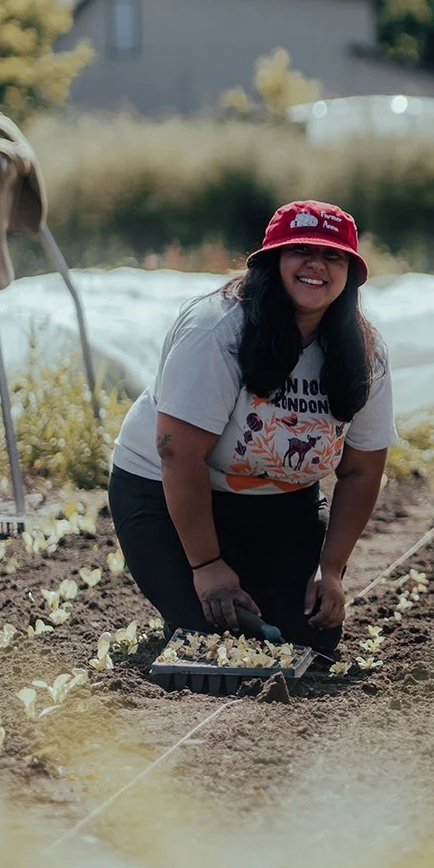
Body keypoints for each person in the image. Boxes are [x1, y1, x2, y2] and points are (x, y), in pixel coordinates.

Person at [108, 200, 395, 656]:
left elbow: (362, 469)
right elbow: (178, 454)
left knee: (310, 636)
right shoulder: (217, 330)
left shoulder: (362, 352)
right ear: (270, 262)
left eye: (333, 255)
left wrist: (331, 570)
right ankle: (185, 588)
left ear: (351, 275)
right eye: (299, 250)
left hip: (279, 504)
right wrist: (206, 565)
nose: (316, 264)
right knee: (214, 639)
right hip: (165, 494)